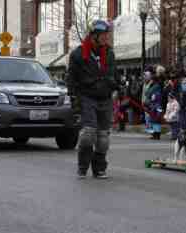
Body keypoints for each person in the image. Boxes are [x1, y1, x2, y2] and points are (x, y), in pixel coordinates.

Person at [68, 20, 117, 179]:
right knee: (88, 134)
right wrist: (74, 100)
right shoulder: (78, 54)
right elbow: (72, 80)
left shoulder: (109, 53)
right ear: (93, 36)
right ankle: (82, 167)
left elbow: (113, 74)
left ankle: (99, 169)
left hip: (105, 98)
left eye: (106, 35)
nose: (105, 38)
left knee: (103, 138)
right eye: (102, 35)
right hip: (87, 97)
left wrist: (116, 86)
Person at [145, 65, 164, 140]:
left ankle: (156, 134)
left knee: (155, 118)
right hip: (155, 103)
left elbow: (148, 92)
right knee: (154, 118)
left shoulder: (157, 84)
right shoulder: (157, 83)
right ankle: (155, 133)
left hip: (156, 103)